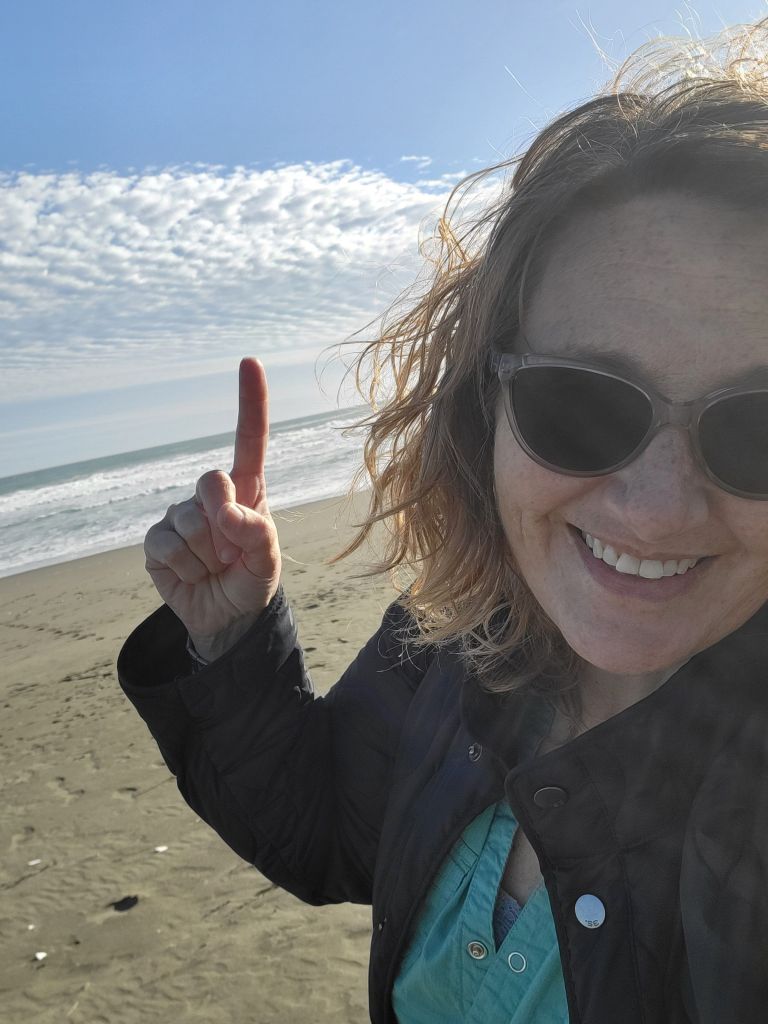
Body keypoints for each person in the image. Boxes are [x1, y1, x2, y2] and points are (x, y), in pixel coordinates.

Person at [118, 18, 768, 1024]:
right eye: (582, 405)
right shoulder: (456, 641)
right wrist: (233, 637)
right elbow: (330, 837)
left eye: (756, 427)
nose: (657, 506)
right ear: (483, 412)